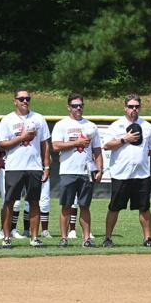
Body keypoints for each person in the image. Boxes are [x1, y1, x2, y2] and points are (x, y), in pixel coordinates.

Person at [103, 94, 151, 247]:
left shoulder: (148, 126)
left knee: (144, 208)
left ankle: (147, 238)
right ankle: (108, 238)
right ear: (125, 108)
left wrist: (140, 159)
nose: (133, 109)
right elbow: (107, 145)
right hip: (121, 174)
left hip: (142, 175)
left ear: (140, 108)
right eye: (130, 106)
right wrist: (124, 139)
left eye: (136, 106)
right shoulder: (116, 126)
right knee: (114, 207)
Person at [0, 89, 51, 248]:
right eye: (21, 99)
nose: (25, 101)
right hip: (14, 166)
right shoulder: (7, 120)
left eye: (27, 98)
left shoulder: (39, 118)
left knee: (35, 202)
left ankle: (34, 237)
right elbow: (1, 144)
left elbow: (44, 144)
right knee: (9, 201)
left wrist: (46, 166)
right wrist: (22, 137)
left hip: (34, 166)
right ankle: (6, 237)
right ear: (15, 101)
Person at [51, 94, 103, 247]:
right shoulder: (62, 124)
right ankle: (64, 238)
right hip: (68, 170)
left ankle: (86, 238)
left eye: (80, 105)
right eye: (74, 105)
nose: (78, 108)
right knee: (66, 205)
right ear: (69, 107)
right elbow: (55, 146)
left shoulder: (91, 126)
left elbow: (97, 149)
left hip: (86, 171)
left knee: (85, 206)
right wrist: (77, 142)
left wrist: (100, 169)